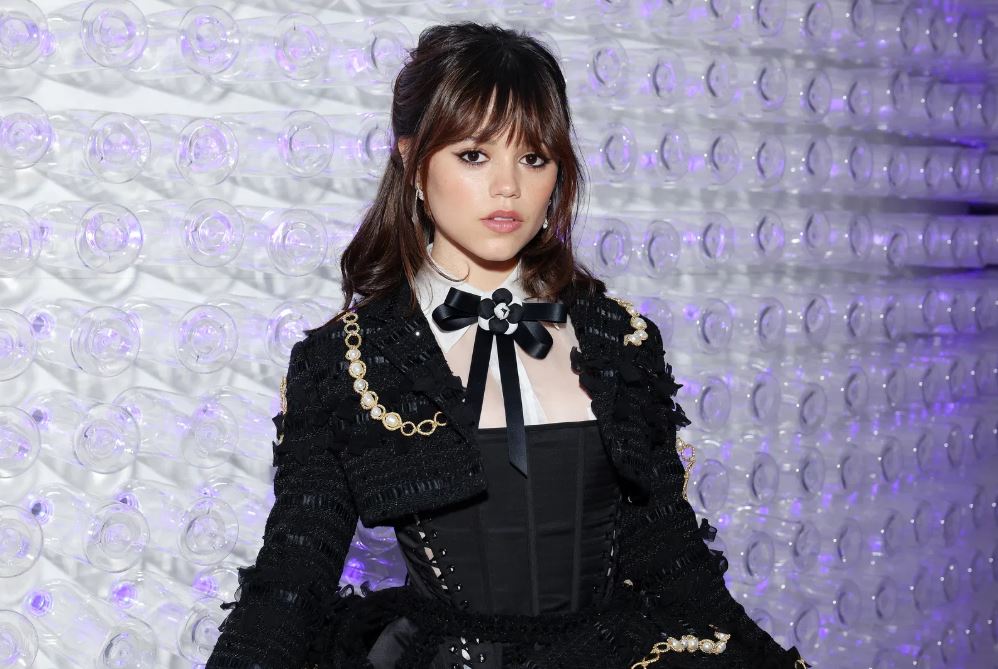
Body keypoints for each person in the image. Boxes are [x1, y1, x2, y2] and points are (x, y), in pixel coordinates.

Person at [205, 22, 812, 669]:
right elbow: (292, 579)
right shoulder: (347, 360)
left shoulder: (619, 340)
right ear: (411, 159)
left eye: (533, 157)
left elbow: (668, 556)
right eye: (474, 155)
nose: (508, 188)